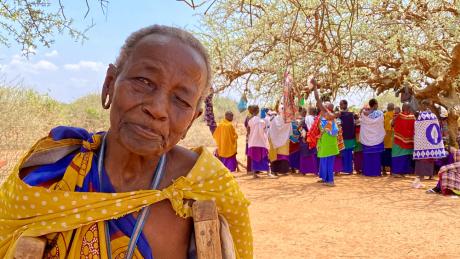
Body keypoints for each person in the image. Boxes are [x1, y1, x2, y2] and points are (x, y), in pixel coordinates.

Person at [0, 25, 253, 258]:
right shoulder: (52, 167)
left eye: (181, 100)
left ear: (192, 119)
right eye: (144, 82)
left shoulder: (208, 186)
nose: (157, 109)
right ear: (110, 83)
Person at [310, 77, 339, 186]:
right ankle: (324, 178)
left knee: (328, 162)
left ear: (327, 108)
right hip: (324, 142)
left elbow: (317, 99)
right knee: (324, 161)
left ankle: (330, 181)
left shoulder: (329, 115)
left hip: (329, 143)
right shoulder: (324, 116)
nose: (320, 106)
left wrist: (315, 87)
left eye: (323, 105)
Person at [414, 100, 447, 180]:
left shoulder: (422, 115)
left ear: (425, 106)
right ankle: (430, 175)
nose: (420, 107)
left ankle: (422, 175)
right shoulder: (433, 115)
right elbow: (436, 128)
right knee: (430, 159)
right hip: (431, 141)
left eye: (421, 105)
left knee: (422, 158)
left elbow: (418, 126)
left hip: (423, 141)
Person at [360, 99, 385, 177]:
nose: (377, 106)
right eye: (377, 104)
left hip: (366, 139)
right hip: (377, 138)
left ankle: (367, 172)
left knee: (367, 157)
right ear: (374, 105)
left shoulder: (364, 114)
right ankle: (376, 173)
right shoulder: (380, 113)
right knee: (376, 157)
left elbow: (362, 116)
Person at [248, 105, 274, 178]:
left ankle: (254, 174)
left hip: (252, 142)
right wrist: (265, 141)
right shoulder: (261, 121)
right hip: (260, 142)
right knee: (264, 157)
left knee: (254, 158)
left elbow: (249, 131)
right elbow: (261, 132)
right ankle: (268, 173)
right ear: (257, 111)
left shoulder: (250, 121)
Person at [391, 103, 416, 177]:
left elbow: (392, 124)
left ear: (403, 108)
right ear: (409, 108)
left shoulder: (399, 115)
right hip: (408, 140)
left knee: (398, 155)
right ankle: (402, 172)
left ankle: (397, 172)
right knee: (405, 156)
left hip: (398, 139)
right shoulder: (412, 117)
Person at [268, 108, 292, 175]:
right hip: (284, 141)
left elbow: (270, 129)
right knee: (283, 154)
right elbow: (290, 131)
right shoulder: (287, 120)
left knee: (275, 155)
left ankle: (274, 170)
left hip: (274, 140)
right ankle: (283, 171)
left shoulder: (274, 119)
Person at [299, 108, 319, 175]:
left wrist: (303, 133)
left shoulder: (305, 119)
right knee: (313, 155)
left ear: (310, 111)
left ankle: (304, 171)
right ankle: (315, 171)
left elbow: (299, 127)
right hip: (314, 139)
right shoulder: (317, 119)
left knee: (305, 154)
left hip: (305, 139)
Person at [338, 100, 355, 175]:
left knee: (347, 153)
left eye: (341, 104)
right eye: (340, 104)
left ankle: (348, 169)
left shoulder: (343, 114)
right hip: (345, 136)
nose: (340, 106)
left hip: (348, 137)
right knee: (345, 153)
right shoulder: (350, 114)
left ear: (345, 105)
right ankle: (345, 169)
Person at [382, 103, 395, 174]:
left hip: (385, 137)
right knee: (391, 154)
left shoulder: (384, 115)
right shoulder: (395, 115)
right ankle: (392, 170)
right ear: (393, 108)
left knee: (385, 154)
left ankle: (384, 170)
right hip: (392, 137)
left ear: (387, 108)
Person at [244, 105, 255, 174]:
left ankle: (253, 168)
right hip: (251, 136)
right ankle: (250, 169)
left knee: (251, 152)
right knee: (250, 153)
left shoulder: (249, 116)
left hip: (250, 136)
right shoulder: (250, 117)